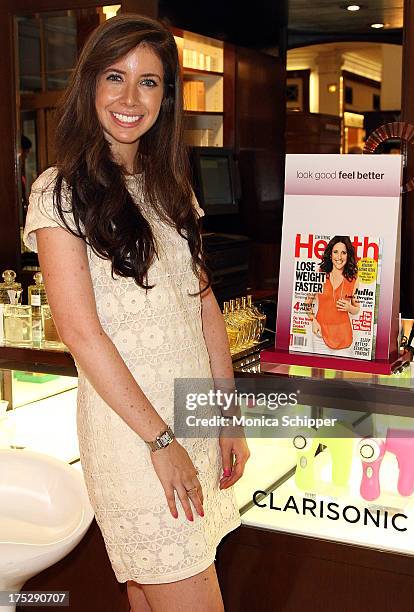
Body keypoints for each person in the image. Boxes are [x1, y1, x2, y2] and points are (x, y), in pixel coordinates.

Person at [23, 14, 249, 612]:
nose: (130, 98)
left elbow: (202, 305)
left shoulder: (169, 183)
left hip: (187, 421)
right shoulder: (58, 192)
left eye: (149, 82)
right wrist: (161, 440)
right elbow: (80, 331)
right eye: (116, 77)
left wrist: (225, 414)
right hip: (136, 436)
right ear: (90, 85)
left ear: (166, 96)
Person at [307, 236, 360, 355]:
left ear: (348, 255)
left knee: (342, 372)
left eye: (343, 253)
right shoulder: (320, 274)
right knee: (318, 373)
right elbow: (307, 304)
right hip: (320, 334)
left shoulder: (353, 278)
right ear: (330, 254)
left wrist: (349, 307)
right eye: (335, 252)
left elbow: (356, 308)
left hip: (343, 337)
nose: (339, 257)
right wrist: (313, 320)